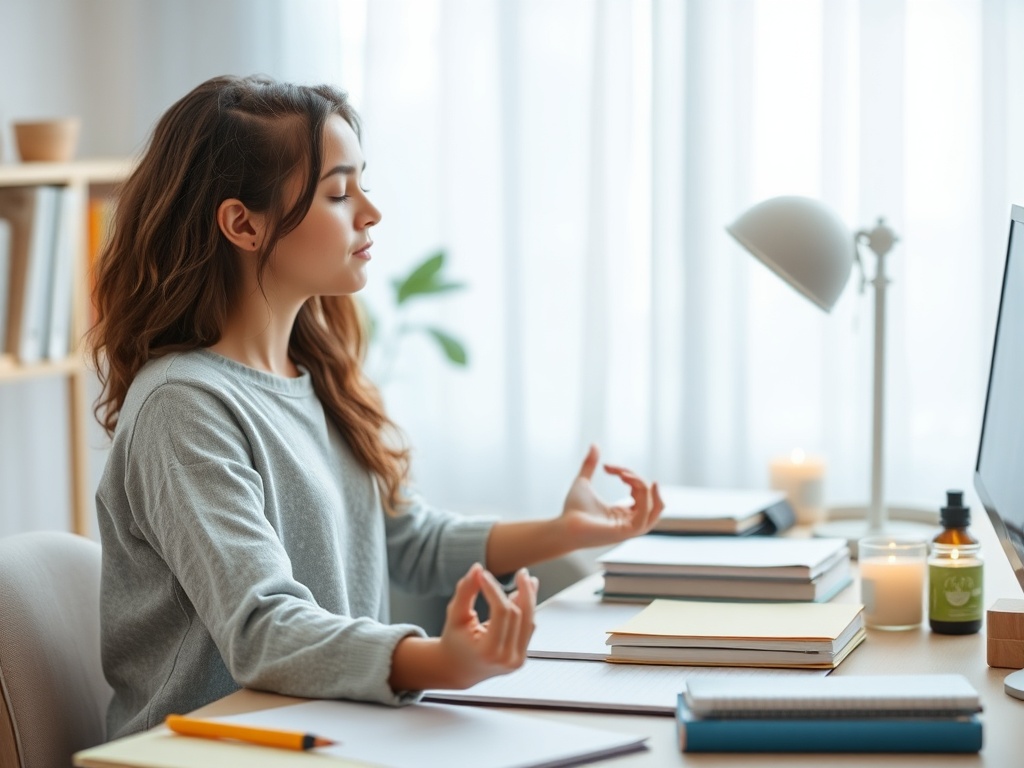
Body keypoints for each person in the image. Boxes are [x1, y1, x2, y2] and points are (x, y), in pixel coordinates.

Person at [89, 74, 664, 740]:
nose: (370, 211)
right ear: (242, 224)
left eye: (362, 183)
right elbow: (261, 630)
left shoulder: (315, 374)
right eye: (338, 192)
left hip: (331, 733)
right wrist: (438, 660)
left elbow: (404, 541)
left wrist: (563, 533)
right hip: (213, 750)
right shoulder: (182, 406)